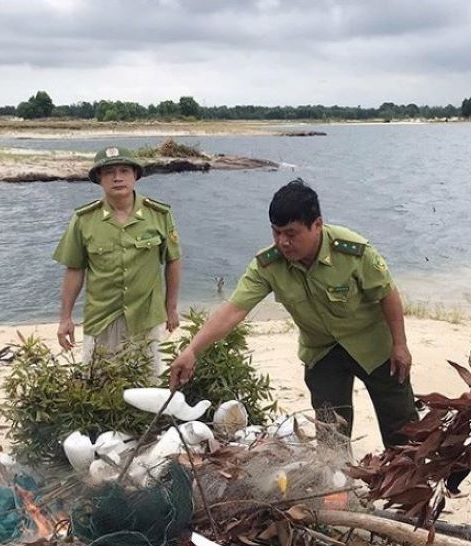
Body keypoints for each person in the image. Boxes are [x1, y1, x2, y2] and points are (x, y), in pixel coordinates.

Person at [169, 178, 418, 447]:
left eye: (291, 233)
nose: (282, 242)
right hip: (321, 351)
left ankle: (410, 485)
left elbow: (387, 294)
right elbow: (233, 309)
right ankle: (339, 486)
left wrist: (400, 344)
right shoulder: (268, 264)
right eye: (276, 232)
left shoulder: (353, 252)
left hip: (373, 346)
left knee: (402, 427)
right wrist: (192, 349)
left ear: (317, 225)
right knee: (330, 433)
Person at [54, 146, 182, 374]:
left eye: (124, 171)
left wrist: (171, 308)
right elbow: (74, 269)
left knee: (147, 384)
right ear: (99, 179)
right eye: (109, 172)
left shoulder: (159, 215)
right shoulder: (84, 220)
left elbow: (173, 261)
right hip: (102, 318)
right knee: (100, 385)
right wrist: (65, 318)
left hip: (146, 317)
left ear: (135, 176)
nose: (117, 178)